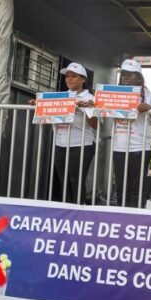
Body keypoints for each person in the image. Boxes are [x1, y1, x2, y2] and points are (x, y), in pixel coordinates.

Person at [112, 59, 151, 207]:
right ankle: (122, 217)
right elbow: (101, 109)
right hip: (119, 147)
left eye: (129, 75)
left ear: (139, 77)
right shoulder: (113, 93)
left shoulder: (148, 94)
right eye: (123, 75)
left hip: (140, 147)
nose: (125, 78)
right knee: (121, 186)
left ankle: (136, 217)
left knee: (137, 187)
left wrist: (150, 109)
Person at [52, 62, 97, 204]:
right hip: (60, 142)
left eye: (74, 76)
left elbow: (95, 124)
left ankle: (78, 212)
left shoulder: (90, 98)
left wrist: (82, 107)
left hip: (82, 143)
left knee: (76, 181)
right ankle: (68, 212)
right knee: (63, 181)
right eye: (67, 76)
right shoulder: (61, 97)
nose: (69, 79)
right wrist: (37, 105)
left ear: (83, 80)